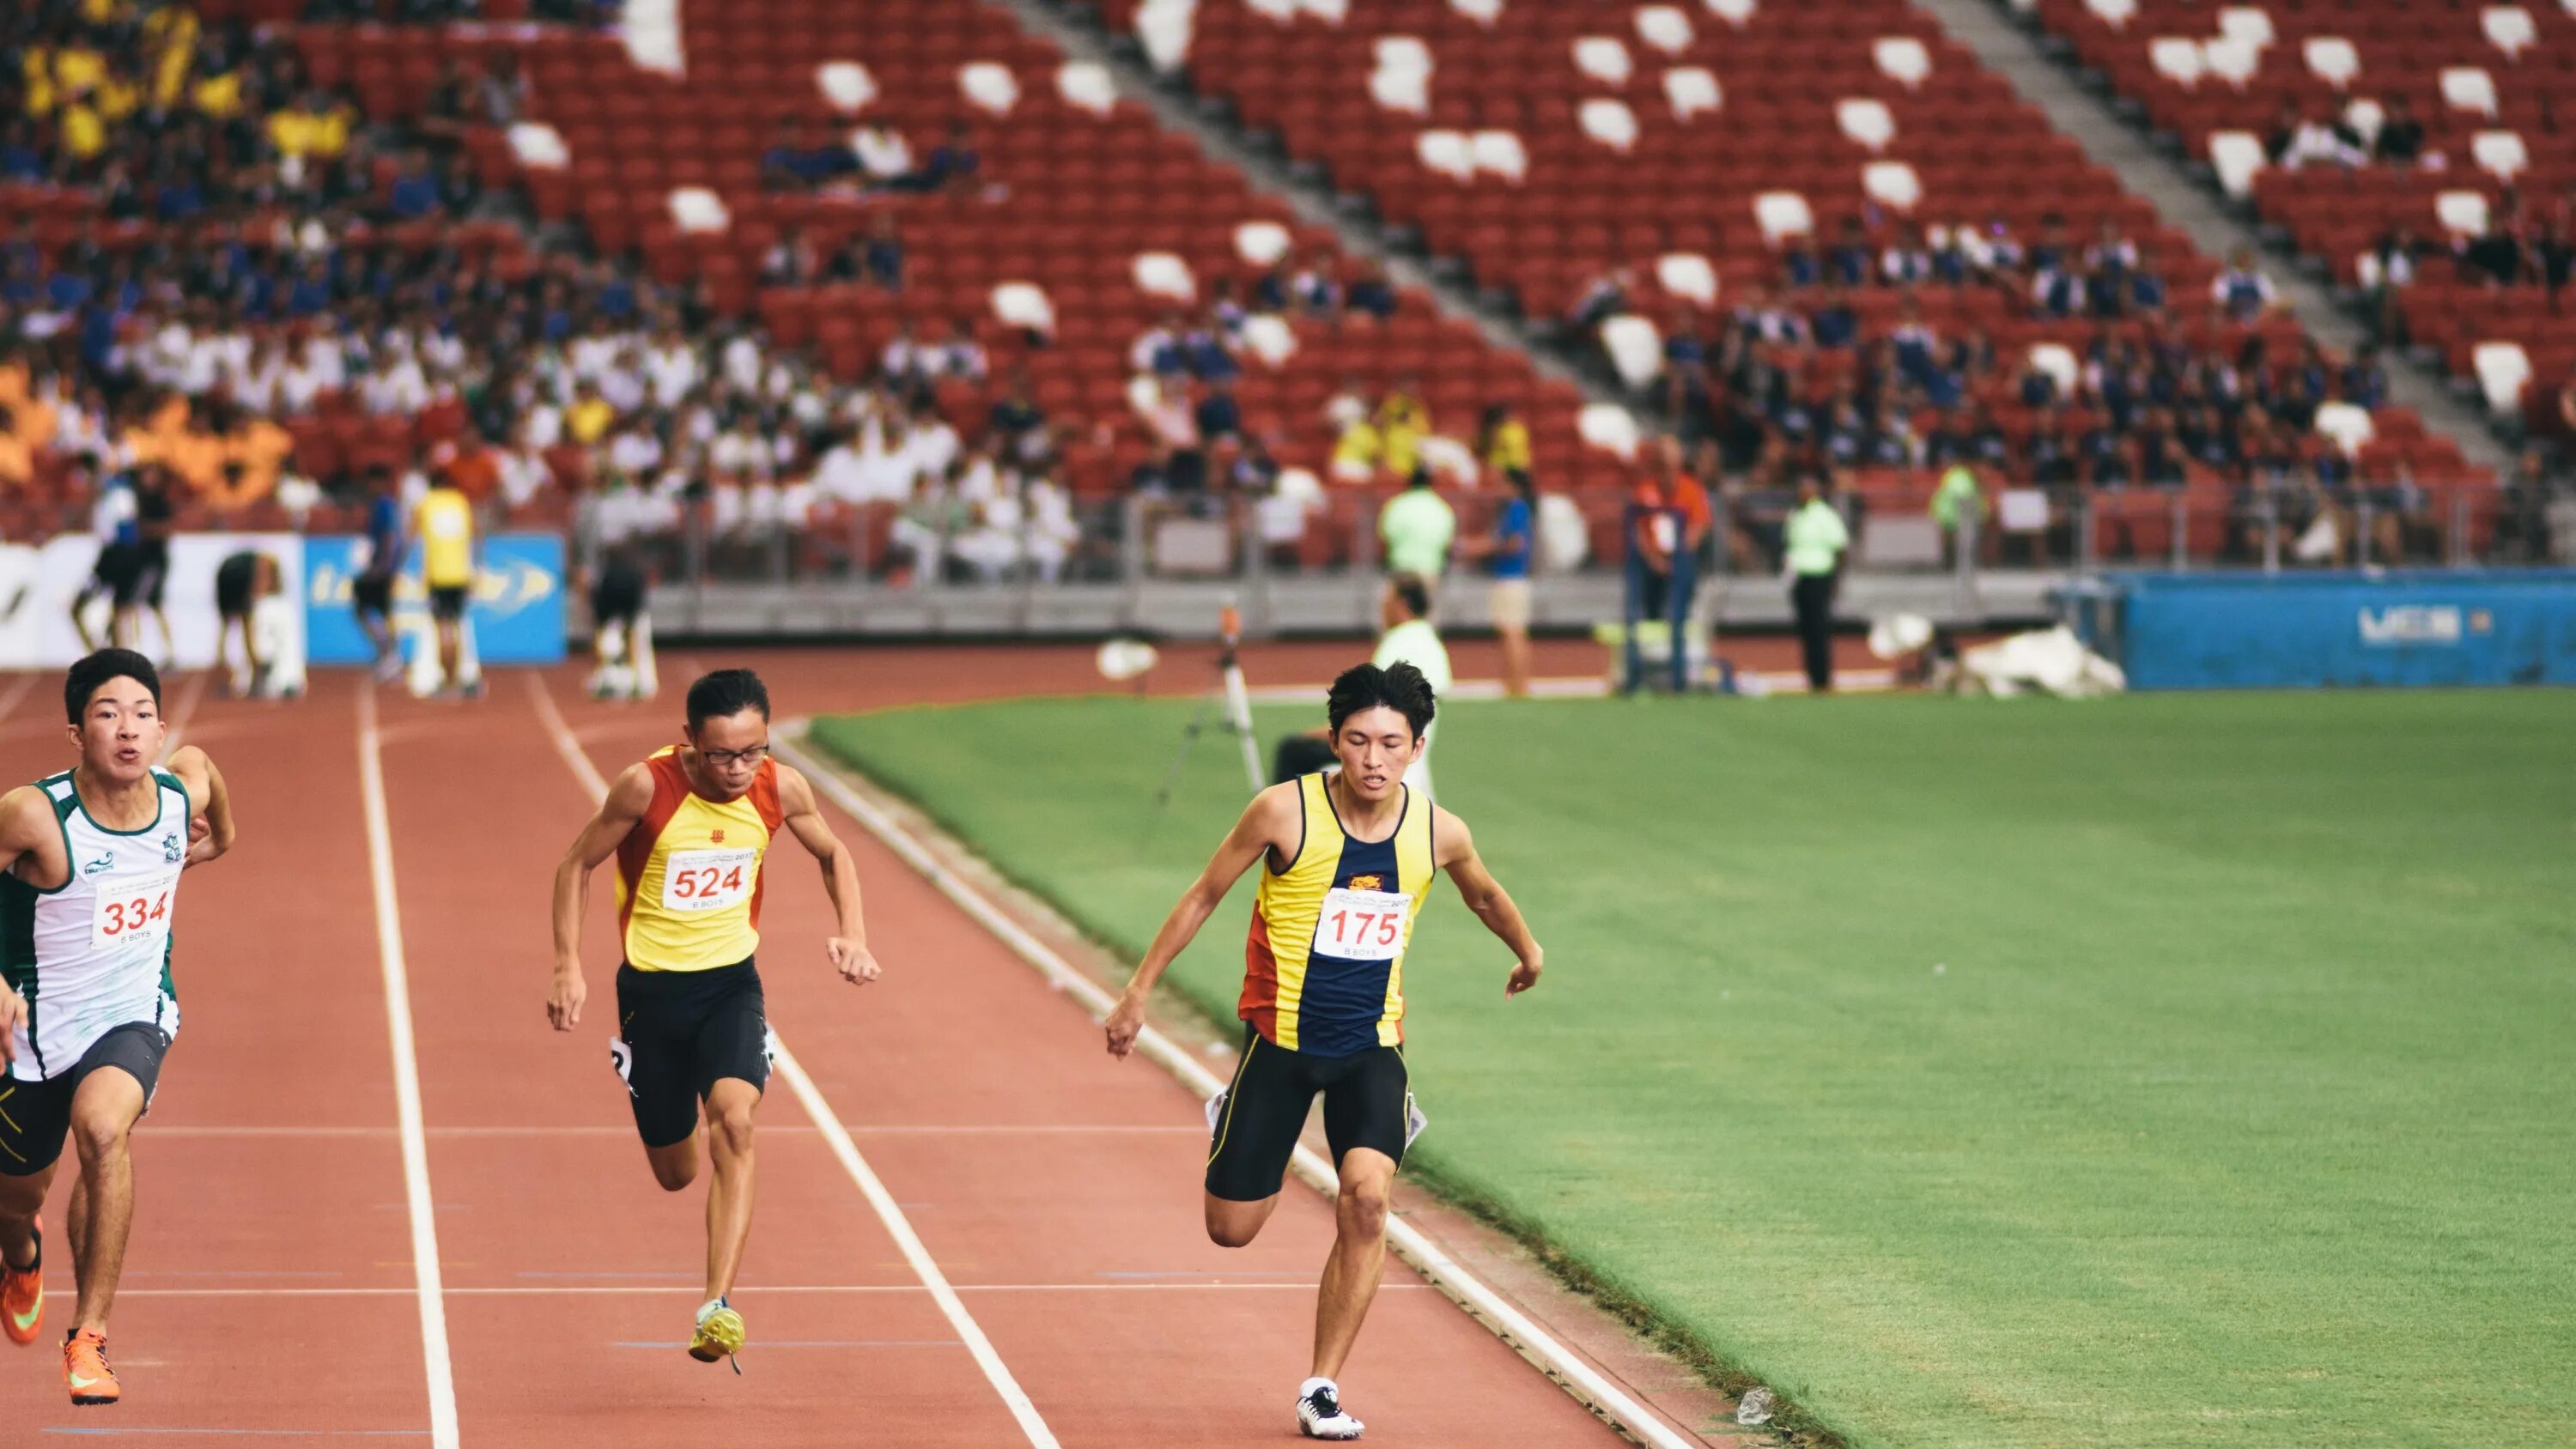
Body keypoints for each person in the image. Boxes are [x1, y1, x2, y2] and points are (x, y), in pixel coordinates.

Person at [1102, 661, 1545, 1443]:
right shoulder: (1283, 813)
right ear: (1333, 742)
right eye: (1359, 742)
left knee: (1367, 1198)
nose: (1374, 760)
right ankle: (1235, 1120)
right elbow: (1204, 893)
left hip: (1373, 1047)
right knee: (1230, 1230)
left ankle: (1321, 1386)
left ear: (1415, 748)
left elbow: (1482, 891)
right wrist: (1139, 991)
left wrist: (1527, 948)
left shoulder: (1438, 830)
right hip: (1279, 1044)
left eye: (1392, 744)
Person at [547, 670, 883, 1369]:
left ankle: (716, 1307)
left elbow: (834, 852)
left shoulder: (780, 787)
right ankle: (653, 1089)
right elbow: (575, 864)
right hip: (650, 996)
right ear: (691, 745)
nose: (739, 769)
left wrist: (853, 931)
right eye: (724, 754)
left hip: (731, 988)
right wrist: (566, 965)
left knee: (736, 1120)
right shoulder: (645, 788)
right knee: (676, 1172)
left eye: (753, 751)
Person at [0, 649, 236, 1407]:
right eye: (107, 714)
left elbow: (210, 790)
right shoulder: (35, 814)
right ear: (77, 734)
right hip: (33, 1032)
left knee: (103, 1128)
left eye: (141, 715)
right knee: (15, 1196)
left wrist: (215, 843)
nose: (127, 731)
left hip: (133, 1011)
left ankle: (90, 1338)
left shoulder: (178, 792)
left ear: (160, 728)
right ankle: (19, 1251)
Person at [1370, 576, 1450, 799]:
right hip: (1415, 746)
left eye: (1387, 599)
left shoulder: (1397, 642)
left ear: (1401, 603)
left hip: (1385, 747)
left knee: (1295, 750)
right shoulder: (1431, 641)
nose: (1382, 606)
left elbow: (1373, 703)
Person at [410, 466, 477, 696]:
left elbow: (411, 535)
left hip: (438, 575)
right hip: (461, 573)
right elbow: (476, 534)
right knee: (457, 626)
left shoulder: (426, 504)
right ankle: (458, 676)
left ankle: (449, 681)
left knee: (443, 628)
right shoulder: (460, 502)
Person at [1785, 477, 1850, 692]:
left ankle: (1823, 678)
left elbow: (1840, 547)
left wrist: (1836, 578)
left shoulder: (1824, 515)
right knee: (1806, 629)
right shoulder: (1796, 515)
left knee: (1819, 629)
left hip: (1820, 575)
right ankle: (1812, 677)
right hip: (1800, 577)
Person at [1482, 469, 1534, 698]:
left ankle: (1518, 684)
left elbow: (1514, 543)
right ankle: (1515, 683)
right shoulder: (1516, 509)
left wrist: (1487, 548)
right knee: (1512, 632)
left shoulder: (1516, 508)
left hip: (1510, 576)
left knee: (1512, 632)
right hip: (1512, 577)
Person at [115, 465, 175, 660]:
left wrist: (143, 529)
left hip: (153, 562)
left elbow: (166, 528)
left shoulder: (158, 502)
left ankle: (146, 652)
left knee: (137, 605)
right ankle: (159, 652)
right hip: (144, 562)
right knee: (150, 606)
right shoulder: (139, 500)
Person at [354, 467, 405, 683]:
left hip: (381, 568)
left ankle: (390, 655)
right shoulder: (380, 505)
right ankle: (388, 654)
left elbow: (390, 537)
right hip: (380, 566)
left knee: (370, 610)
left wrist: (383, 566)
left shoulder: (384, 506)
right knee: (377, 612)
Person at [585, 543, 653, 701]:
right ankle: (637, 684)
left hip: (612, 618)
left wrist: (601, 621)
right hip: (630, 617)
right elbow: (639, 595)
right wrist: (632, 618)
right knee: (634, 652)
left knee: (608, 653)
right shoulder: (634, 571)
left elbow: (601, 597)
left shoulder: (608, 574)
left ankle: (609, 683)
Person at [211, 549, 282, 698]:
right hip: (232, 582)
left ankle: (223, 676)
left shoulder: (250, 562)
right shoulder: (260, 564)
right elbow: (258, 587)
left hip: (227, 580)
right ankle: (251, 676)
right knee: (246, 630)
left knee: (228, 630)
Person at [1376, 468, 1455, 579]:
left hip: (1400, 567)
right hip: (1430, 568)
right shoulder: (1442, 507)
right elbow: (1447, 543)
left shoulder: (1396, 505)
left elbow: (1385, 539)